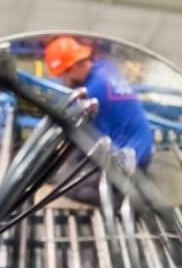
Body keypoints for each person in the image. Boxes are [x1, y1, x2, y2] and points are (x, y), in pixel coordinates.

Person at [44, 36, 153, 204]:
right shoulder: (105, 68)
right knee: (74, 156)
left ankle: (128, 201)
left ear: (74, 68)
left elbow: (73, 126)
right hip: (141, 143)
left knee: (68, 187)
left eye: (62, 75)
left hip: (131, 159)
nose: (62, 81)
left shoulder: (92, 93)